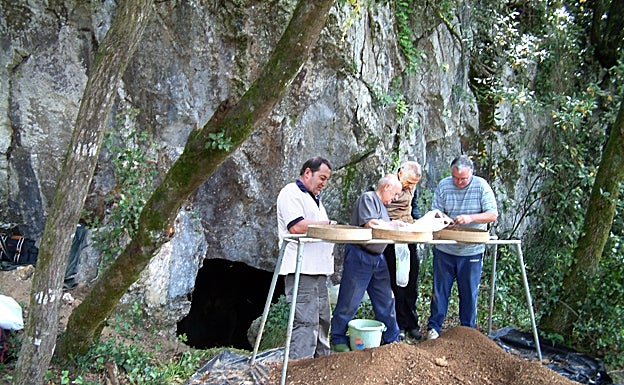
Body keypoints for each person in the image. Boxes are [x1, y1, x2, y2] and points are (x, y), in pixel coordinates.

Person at [426, 155, 498, 340]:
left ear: (471, 174)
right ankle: (434, 328)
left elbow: (492, 215)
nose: (458, 182)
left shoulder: (481, 186)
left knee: (469, 293)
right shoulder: (444, 185)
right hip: (445, 248)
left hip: (471, 250)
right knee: (440, 291)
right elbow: (435, 211)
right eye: (455, 178)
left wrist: (470, 218)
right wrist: (444, 218)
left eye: (463, 179)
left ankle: (467, 332)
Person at [330, 174, 404, 352]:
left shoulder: (384, 208)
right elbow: (370, 224)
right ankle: (338, 337)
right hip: (360, 255)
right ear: (386, 187)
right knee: (350, 300)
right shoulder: (368, 198)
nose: (394, 199)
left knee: (386, 299)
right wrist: (393, 226)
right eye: (394, 194)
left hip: (378, 257)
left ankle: (392, 338)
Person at [276, 156, 336, 359]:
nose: (324, 183)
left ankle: (321, 364)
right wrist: (327, 225)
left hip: (318, 270)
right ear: (308, 173)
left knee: (322, 318)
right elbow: (296, 226)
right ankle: (299, 368)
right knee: (305, 321)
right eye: (322, 177)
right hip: (301, 269)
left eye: (327, 179)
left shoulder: (315, 199)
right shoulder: (290, 193)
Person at [383, 161, 423, 340]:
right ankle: (397, 324)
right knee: (395, 283)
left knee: (411, 281)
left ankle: (412, 324)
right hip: (391, 238)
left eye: (414, 183)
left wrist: (422, 223)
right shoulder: (388, 185)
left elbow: (414, 210)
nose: (410, 186)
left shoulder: (412, 189)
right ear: (400, 173)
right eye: (408, 182)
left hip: (409, 235)